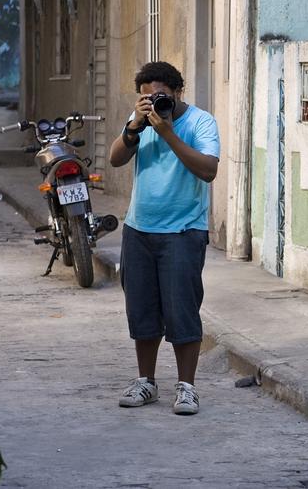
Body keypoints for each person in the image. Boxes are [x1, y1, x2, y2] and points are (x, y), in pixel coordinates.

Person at [108, 61, 219, 415]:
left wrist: (168, 132)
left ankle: (186, 387)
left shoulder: (201, 122)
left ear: (176, 92)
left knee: (182, 310)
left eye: (159, 96)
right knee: (141, 310)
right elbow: (114, 159)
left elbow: (208, 170)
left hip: (183, 231)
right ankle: (146, 382)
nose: (153, 102)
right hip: (139, 229)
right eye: (145, 98)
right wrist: (132, 128)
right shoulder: (140, 119)